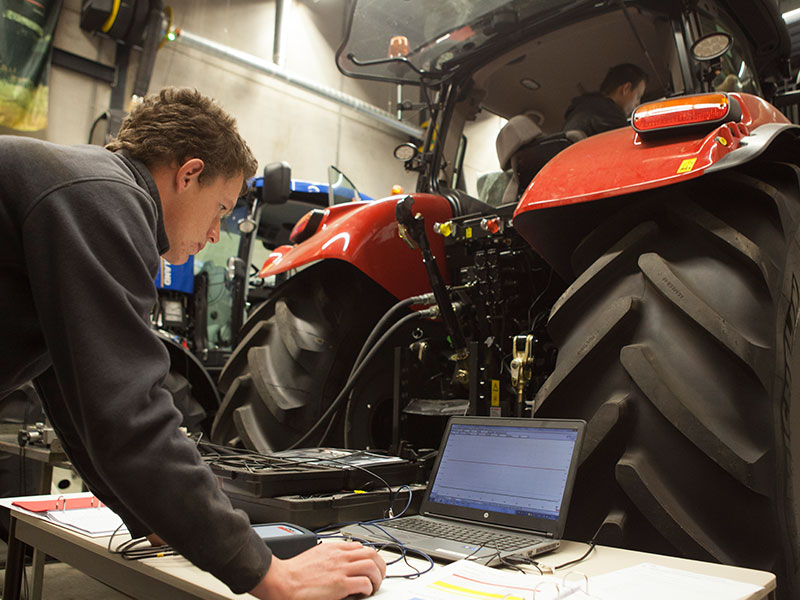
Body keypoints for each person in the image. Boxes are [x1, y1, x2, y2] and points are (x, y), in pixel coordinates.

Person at [0, 87, 386, 599]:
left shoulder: (81, 186)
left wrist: (156, 518)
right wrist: (272, 576)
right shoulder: (105, 197)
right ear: (188, 174)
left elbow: (77, 406)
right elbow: (128, 415)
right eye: (221, 209)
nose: (213, 233)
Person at [563, 63, 648, 137]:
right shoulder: (608, 114)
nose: (638, 103)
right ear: (626, 88)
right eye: (638, 96)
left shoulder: (580, 110)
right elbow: (630, 141)